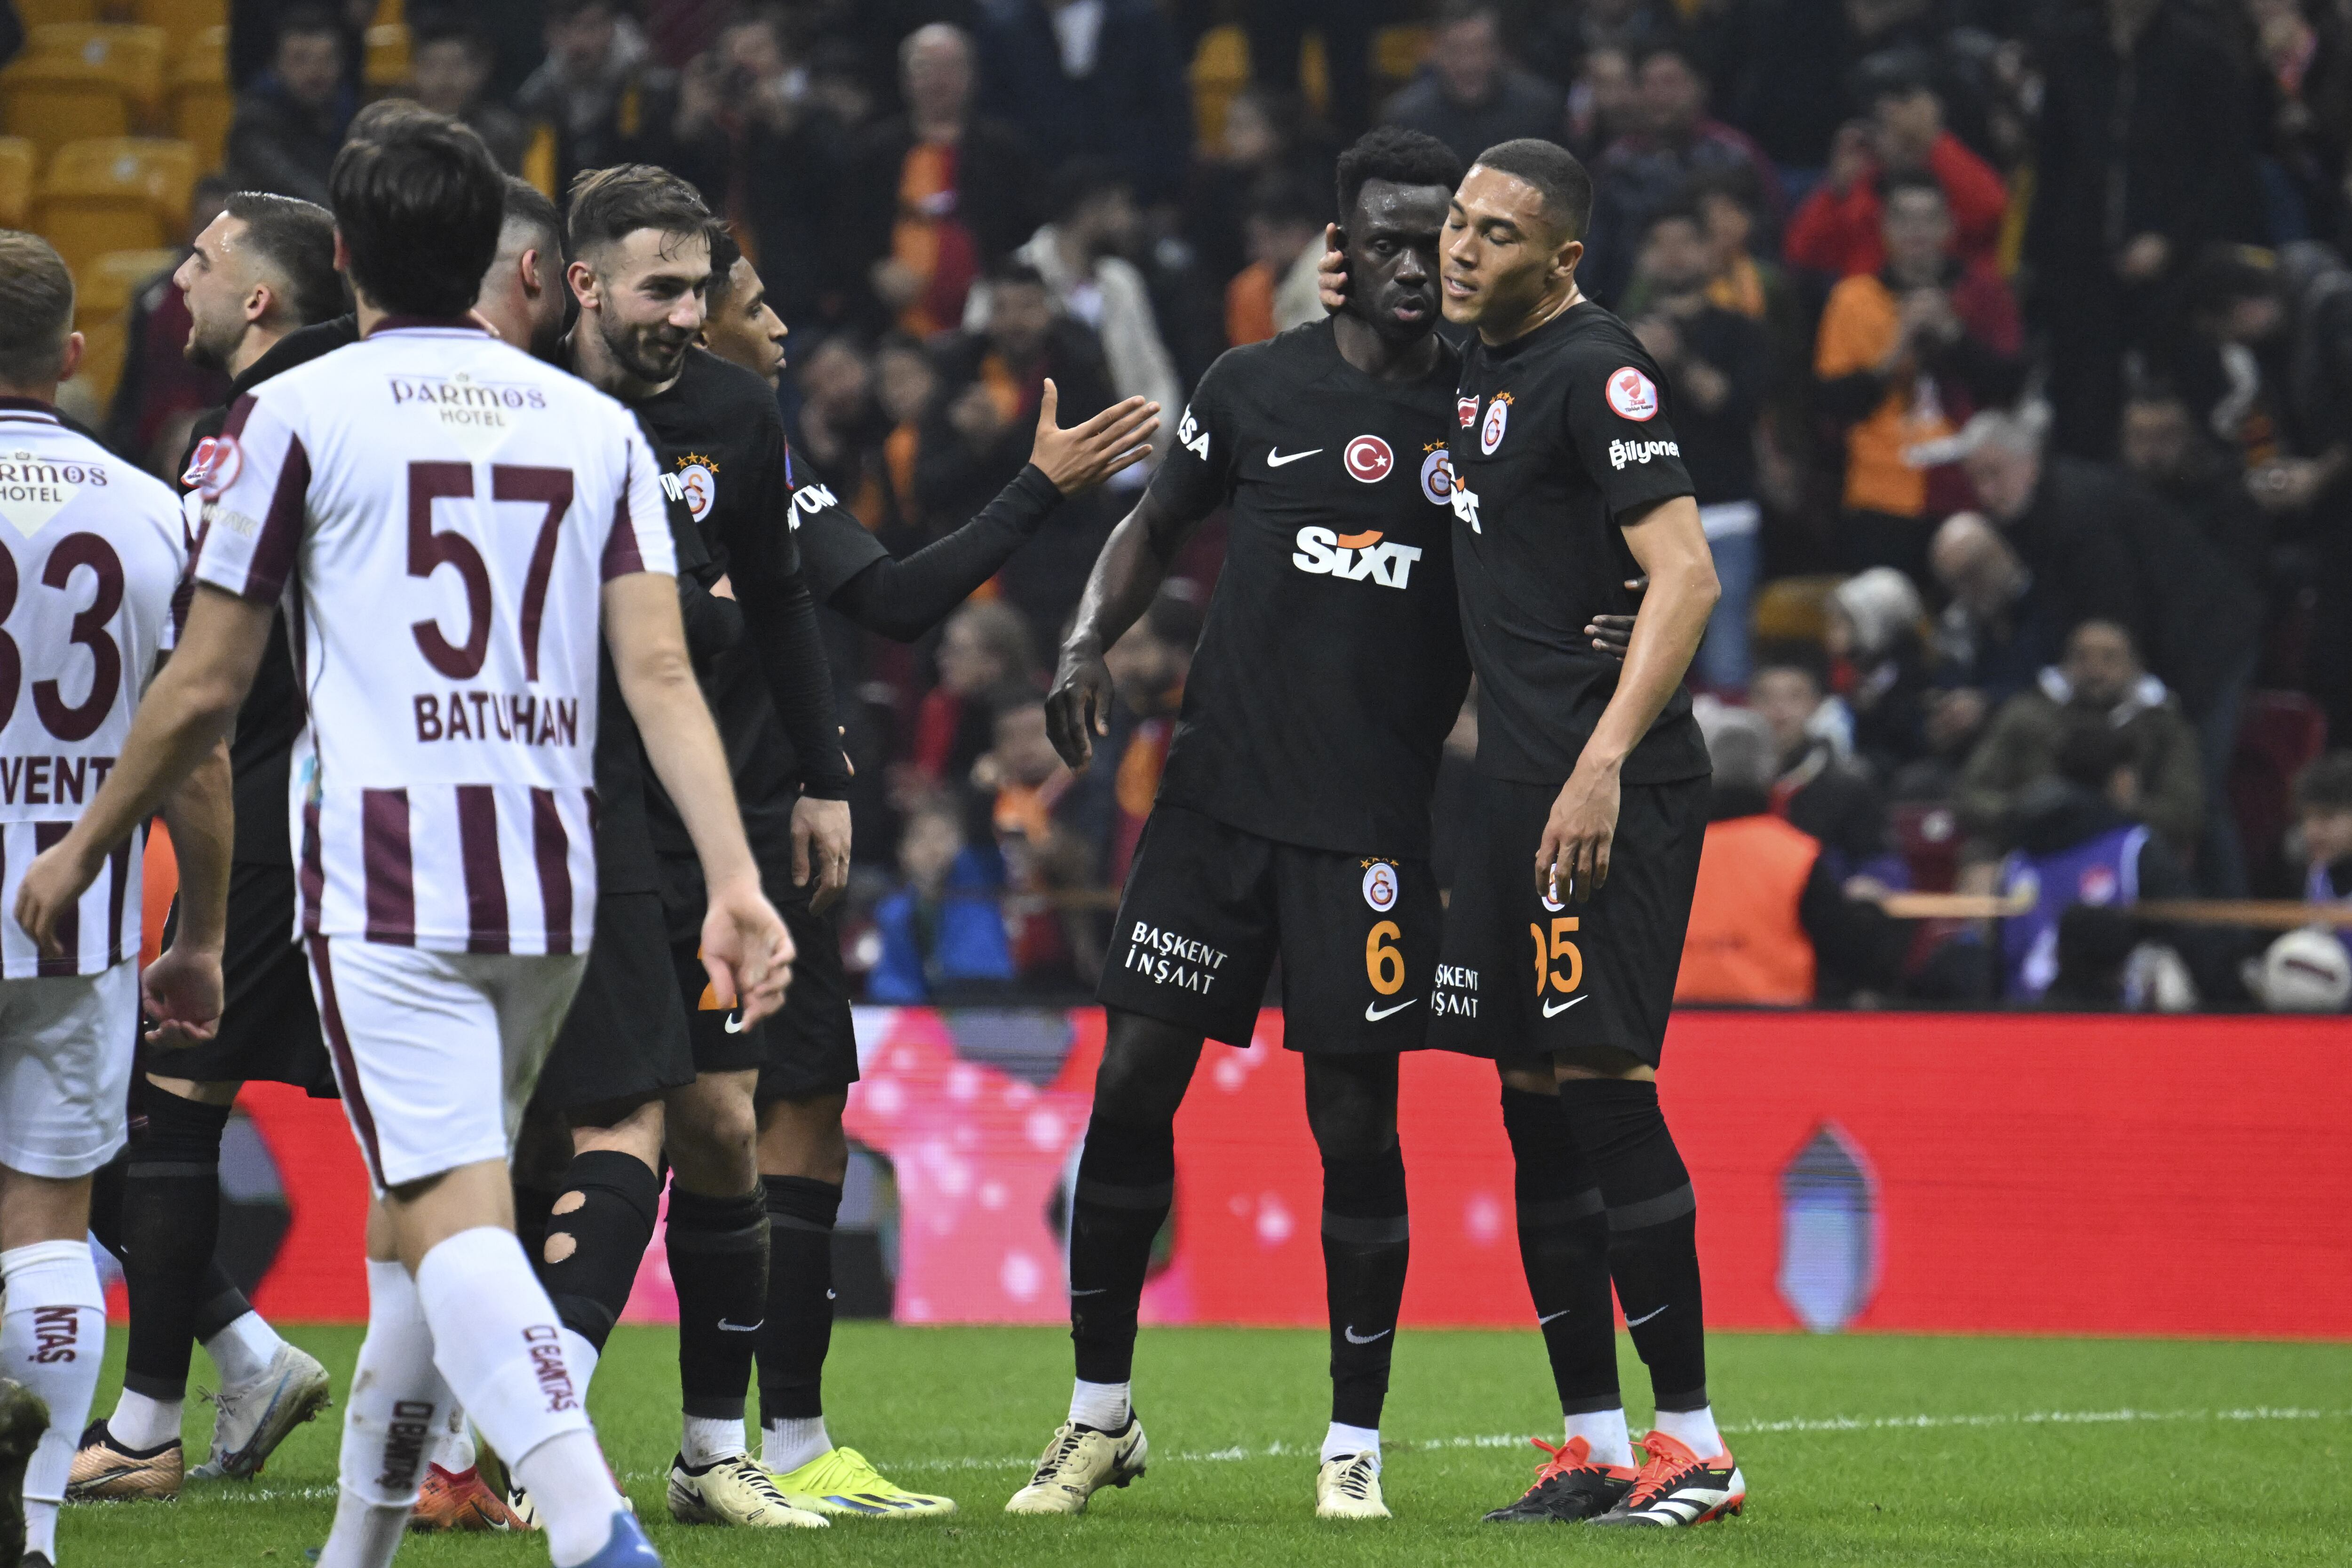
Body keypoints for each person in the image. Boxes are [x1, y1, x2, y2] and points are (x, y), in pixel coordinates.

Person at [19, 106, 792, 1568]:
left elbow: (205, 682)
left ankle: (591, 1524)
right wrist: (735, 877)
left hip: (390, 882)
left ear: (350, 254)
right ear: (520, 267)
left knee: (448, 1217)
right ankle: (356, 1550)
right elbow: (663, 671)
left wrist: (85, 844)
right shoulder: (594, 426)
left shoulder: (296, 418)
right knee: (408, 1234)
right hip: (555, 883)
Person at [543, 165, 1156, 1527]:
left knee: (780, 1100)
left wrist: (821, 780)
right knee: (629, 1120)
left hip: (759, 831)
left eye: (730, 293)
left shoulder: (745, 437)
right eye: (711, 300)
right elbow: (868, 604)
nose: (740, 322)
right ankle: (538, 1428)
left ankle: (780, 1433)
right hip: (615, 819)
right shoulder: (567, 410)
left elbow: (820, 609)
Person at [1017, 127, 1472, 1524]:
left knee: (1354, 1124)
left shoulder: (1484, 419)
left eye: (1434, 242)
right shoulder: (1253, 386)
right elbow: (1153, 526)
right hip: (1212, 808)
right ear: (1337, 252)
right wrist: (1088, 642)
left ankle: (1353, 1444)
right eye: (1387, 238)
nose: (1413, 264)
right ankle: (1098, 1416)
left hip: (1371, 832)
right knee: (1130, 1089)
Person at [1412, 137, 1744, 1528]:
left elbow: (1688, 570)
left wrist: (1602, 754)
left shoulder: (1596, 369)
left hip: (1605, 791)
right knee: (1531, 1100)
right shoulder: (1475, 365)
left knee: (1603, 1080)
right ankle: (1592, 1442)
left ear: (1562, 260)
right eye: (1454, 223)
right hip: (1510, 790)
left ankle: (1696, 1446)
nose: (1459, 247)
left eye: (1494, 233)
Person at [68, 191, 340, 1507]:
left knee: (164, 1105)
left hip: (290, 809)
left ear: (259, 301)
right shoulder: (357, 403)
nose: (176, 278)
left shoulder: (263, 430)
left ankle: (147, 1423)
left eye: (203, 260)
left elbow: (202, 674)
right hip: (378, 812)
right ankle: (252, 1356)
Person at [0, 229, 229, 1568]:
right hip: (74, 919)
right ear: (75, 356)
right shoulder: (150, 507)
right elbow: (193, 745)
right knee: (47, 1218)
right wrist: (197, 929)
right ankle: (29, 1530)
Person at [2028, 0, 2263, 460]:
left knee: (2189, 400)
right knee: (2082, 403)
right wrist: (2043, 256)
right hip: (2083, 258)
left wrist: (2172, 239)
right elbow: (2052, 160)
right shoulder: (2068, 47)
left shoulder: (2199, 51)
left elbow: (2227, 169)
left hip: (2177, 267)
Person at [1813, 172, 2023, 580]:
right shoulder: (1854, 298)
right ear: (1885, 229)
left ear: (1949, 227)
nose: (1917, 232)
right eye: (1905, 220)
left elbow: (2008, 387)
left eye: (1929, 219)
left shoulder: (1983, 293)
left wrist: (1954, 336)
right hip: (1881, 494)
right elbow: (1833, 405)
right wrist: (1896, 352)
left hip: (1969, 488)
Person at [1625, 203, 1765, 690]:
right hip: (1642, 521)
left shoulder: (1739, 330)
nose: (1673, 256)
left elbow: (1737, 407)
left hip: (1723, 514)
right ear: (1641, 258)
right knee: (1647, 670)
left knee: (1728, 663)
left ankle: (1730, 765)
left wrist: (1678, 359)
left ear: (1709, 253)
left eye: (1686, 243)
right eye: (1659, 245)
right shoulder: (1612, 334)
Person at [1677, 710, 1900, 1004]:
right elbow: (1851, 953)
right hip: (1779, 1026)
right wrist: (1869, 911)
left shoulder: (1665, 851)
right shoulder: (1795, 854)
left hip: (1676, 1025)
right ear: (1772, 772)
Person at [984, 161, 1184, 466]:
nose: (1130, 219)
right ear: (1090, 212)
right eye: (1120, 207)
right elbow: (982, 355)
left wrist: (1154, 433)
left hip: (1129, 458)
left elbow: (1153, 369)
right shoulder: (1014, 276)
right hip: (1035, 457)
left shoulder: (1122, 281)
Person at [842, 23, 1035, 338]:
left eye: (950, 68)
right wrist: (876, 270)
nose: (938, 80)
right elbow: (850, 227)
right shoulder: (875, 151)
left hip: (989, 323)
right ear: (905, 79)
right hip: (896, 327)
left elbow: (1025, 229)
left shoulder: (1004, 150)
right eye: (926, 68)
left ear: (972, 77)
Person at [1959, 619, 2205, 861]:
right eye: (2082, 657)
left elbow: (2186, 813)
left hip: (2127, 855)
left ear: (2135, 667)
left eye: (2110, 658)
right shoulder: (2026, 716)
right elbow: (1970, 794)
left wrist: (2130, 808)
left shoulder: (2163, 726)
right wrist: (2024, 813)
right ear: (2065, 664)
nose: (2095, 670)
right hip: (2032, 850)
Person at [1581, 45, 1782, 307]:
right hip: (1633, 307)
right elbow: (1594, 258)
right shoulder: (1616, 165)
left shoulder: (1735, 156)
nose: (1659, 96)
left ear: (1700, 88)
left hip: (1729, 303)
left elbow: (1771, 237)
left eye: (1671, 82)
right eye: (1648, 84)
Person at [1783, 57, 2009, 280]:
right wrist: (1836, 189)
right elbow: (1803, 253)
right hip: (1875, 308)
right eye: (1884, 124)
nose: (1895, 135)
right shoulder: (1861, 184)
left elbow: (1992, 212)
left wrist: (1931, 145)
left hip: (1950, 302)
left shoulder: (1947, 165)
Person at [972, 0, 1191, 205]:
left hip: (1134, 194)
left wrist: (1167, 197)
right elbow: (995, 118)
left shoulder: (1141, 22)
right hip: (1033, 198)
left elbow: (1170, 112)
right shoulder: (1004, 28)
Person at [515, 0, 682, 196]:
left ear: (613, 27)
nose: (579, 41)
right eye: (567, 27)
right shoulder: (539, 99)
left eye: (591, 27)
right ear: (550, 34)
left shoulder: (654, 90)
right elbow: (539, 189)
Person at [1380, 1, 1568, 168]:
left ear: (1498, 51)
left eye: (1479, 49)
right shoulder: (1406, 120)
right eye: (1456, 51)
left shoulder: (1540, 111)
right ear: (1436, 54)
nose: (1468, 65)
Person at [225, 7, 356, 206]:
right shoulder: (254, 125)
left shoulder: (351, 117)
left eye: (326, 59)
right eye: (301, 59)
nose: (315, 71)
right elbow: (293, 189)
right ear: (276, 65)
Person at [411, 20, 531, 174]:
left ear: (480, 70)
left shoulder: (502, 134)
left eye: (456, 65)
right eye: (431, 66)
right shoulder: (399, 136)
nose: (444, 79)